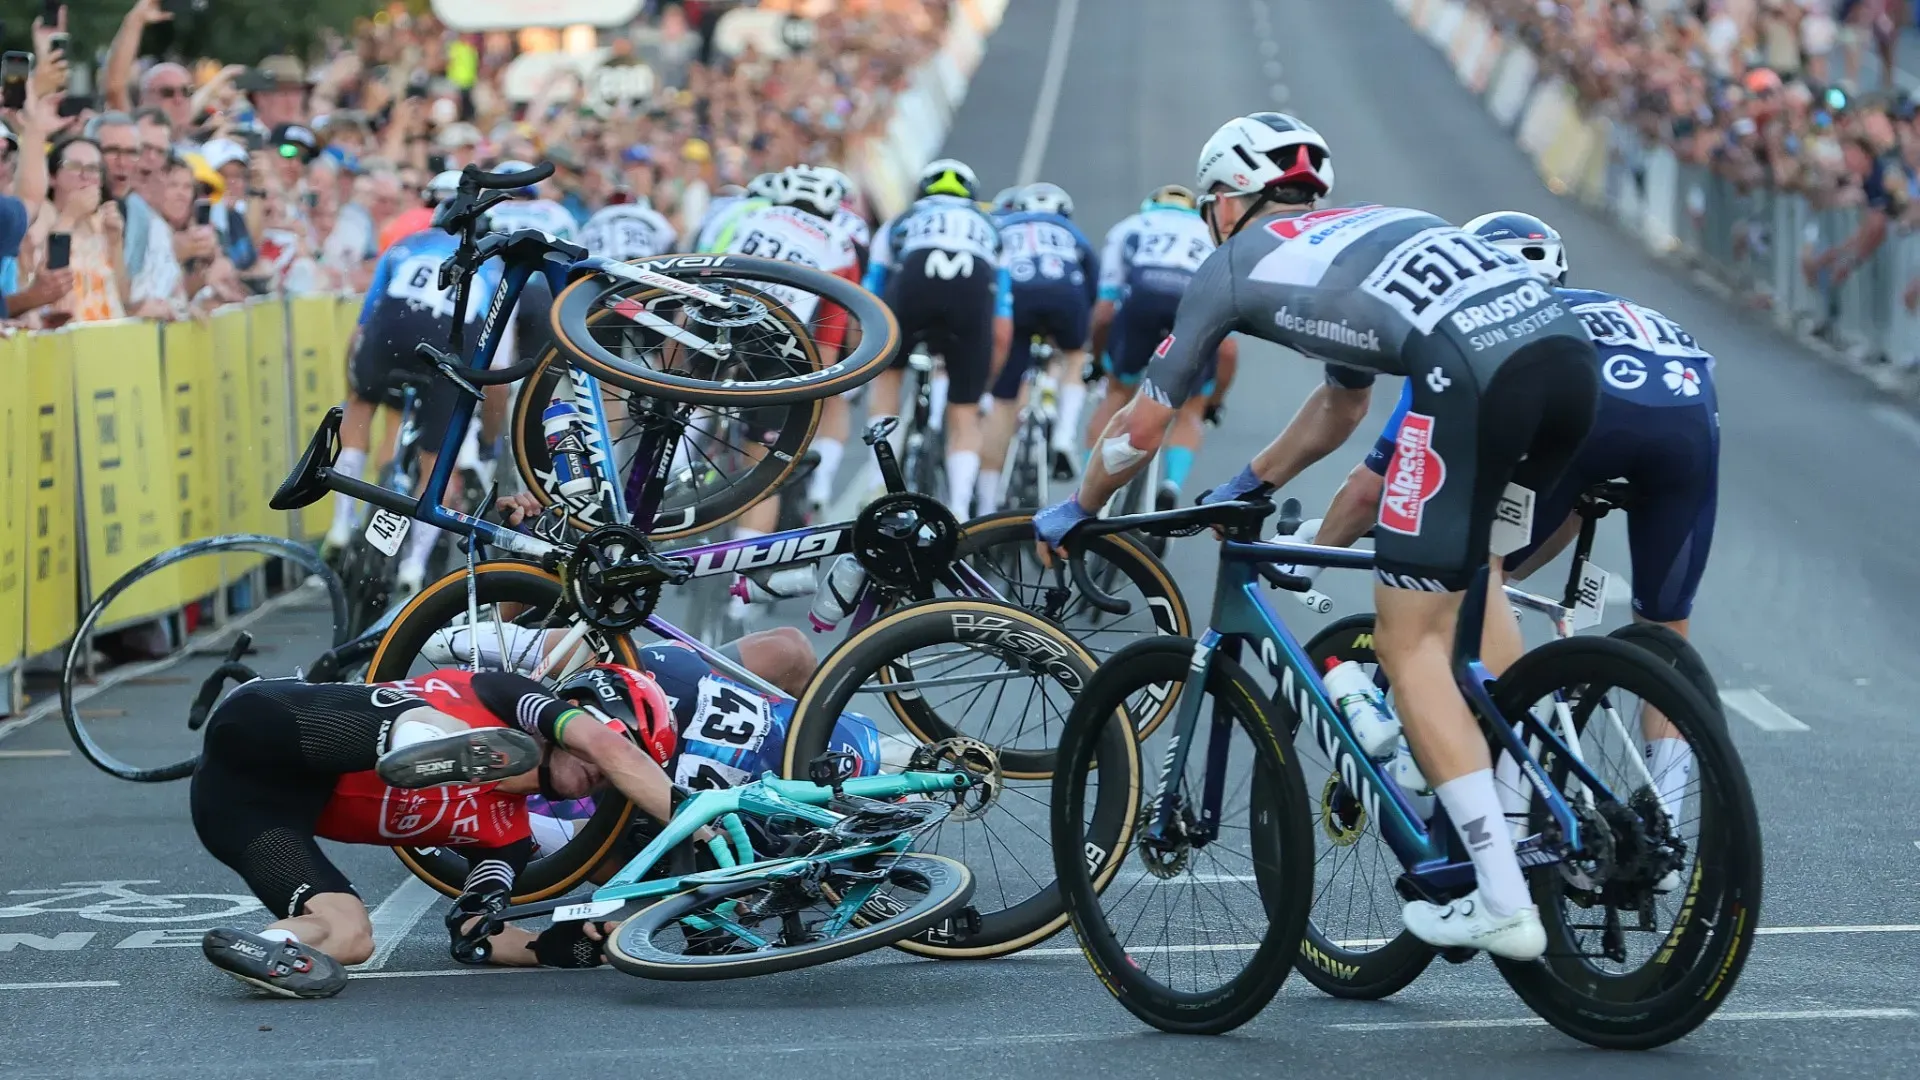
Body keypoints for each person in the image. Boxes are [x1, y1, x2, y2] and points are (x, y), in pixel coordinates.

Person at [1034, 113, 1604, 960]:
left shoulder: (1232, 262)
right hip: (1565, 361)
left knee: (1410, 643)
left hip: (1471, 377)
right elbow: (1342, 403)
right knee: (1473, 579)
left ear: (1227, 201)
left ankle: (1501, 893)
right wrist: (1255, 481)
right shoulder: (1356, 234)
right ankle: (1525, 805)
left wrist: (1079, 505)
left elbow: (1143, 428)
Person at [1292, 212, 1714, 866]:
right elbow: (1566, 503)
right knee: (1666, 630)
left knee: (1462, 589)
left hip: (1587, 410)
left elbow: (1374, 489)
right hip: (1689, 411)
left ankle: (1503, 808)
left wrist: (1308, 562)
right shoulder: (1603, 305)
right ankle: (1666, 823)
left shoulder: (1482, 329)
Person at [192, 663, 686, 997]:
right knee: (416, 719)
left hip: (243, 811)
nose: (606, 774)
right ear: (578, 715)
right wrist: (699, 826)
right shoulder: (506, 694)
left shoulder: (507, 836)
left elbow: (476, 936)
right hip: (270, 726)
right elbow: (610, 752)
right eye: (625, 742)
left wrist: (559, 947)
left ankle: (269, 945)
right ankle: (428, 740)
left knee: (353, 936)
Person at [322, 170, 503, 595]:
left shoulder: (406, 244)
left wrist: (357, 383)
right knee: (436, 460)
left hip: (393, 326)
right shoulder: (492, 267)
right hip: (445, 339)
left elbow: (363, 325)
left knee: (360, 410)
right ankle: (413, 567)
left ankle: (341, 524)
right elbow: (496, 369)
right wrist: (490, 442)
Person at [862, 158, 1013, 518]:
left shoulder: (903, 219)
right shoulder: (991, 225)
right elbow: (1003, 326)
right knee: (964, 413)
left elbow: (869, 293)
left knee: (888, 378)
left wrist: (866, 361)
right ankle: (960, 510)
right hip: (972, 289)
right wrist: (982, 385)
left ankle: (872, 487)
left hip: (914, 279)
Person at [721, 164, 861, 534]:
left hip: (718, 317)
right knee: (761, 471)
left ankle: (681, 449)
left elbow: (710, 268)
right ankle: (739, 590)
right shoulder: (840, 241)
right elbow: (829, 338)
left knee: (685, 400)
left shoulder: (756, 214)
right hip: (775, 338)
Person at [1085, 183, 1238, 511]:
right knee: (1191, 407)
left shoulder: (1129, 227)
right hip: (1191, 305)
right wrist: (1212, 403)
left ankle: (1088, 487)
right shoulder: (1211, 232)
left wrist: (1099, 362)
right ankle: (1171, 485)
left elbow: (1104, 312)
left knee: (1116, 395)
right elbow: (1227, 349)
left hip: (1143, 296)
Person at [977, 181, 1096, 512]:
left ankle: (986, 502)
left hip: (1015, 296)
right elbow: (1094, 287)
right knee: (1074, 355)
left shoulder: (1002, 224)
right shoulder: (1068, 230)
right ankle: (1063, 433)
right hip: (1064, 295)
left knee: (1003, 401)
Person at [580, 193, 678, 261]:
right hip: (642, 266)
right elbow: (670, 242)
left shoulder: (593, 220)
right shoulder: (650, 215)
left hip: (600, 271)